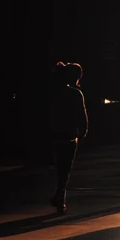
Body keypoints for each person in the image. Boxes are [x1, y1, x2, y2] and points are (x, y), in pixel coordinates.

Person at [49, 62, 88, 214]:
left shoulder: (53, 92)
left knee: (60, 166)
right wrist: (83, 129)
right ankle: (60, 197)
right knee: (65, 167)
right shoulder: (75, 94)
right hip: (70, 134)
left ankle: (59, 194)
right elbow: (81, 113)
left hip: (55, 132)